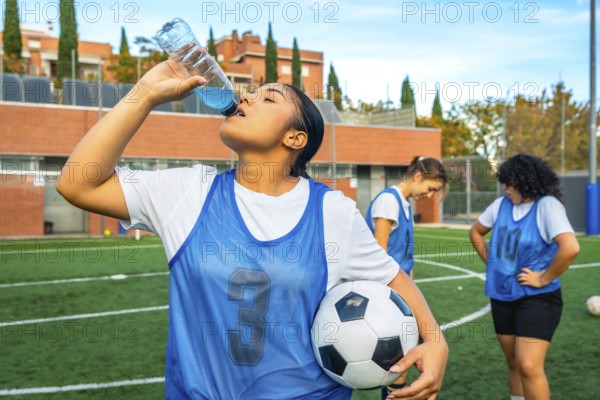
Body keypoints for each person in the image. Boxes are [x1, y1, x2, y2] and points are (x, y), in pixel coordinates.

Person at [56, 58, 448, 400]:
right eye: (250, 93)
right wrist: (145, 92)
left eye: (267, 98)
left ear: (295, 138)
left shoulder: (333, 212)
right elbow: (77, 183)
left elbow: (393, 278)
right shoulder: (188, 191)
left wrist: (435, 341)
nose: (244, 98)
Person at [469, 154, 579, 400]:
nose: (505, 188)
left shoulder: (547, 205)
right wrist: (492, 263)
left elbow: (570, 248)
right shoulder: (500, 205)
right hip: (501, 295)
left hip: (538, 297)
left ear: (526, 181)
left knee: (528, 365)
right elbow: (476, 232)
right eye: (503, 182)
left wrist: (543, 277)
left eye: (509, 182)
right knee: (513, 363)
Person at [365, 156, 448, 399]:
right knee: (397, 365)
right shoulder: (389, 201)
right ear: (419, 177)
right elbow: (380, 256)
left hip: (402, 294)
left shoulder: (404, 203)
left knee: (411, 359)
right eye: (431, 189)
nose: (430, 195)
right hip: (388, 295)